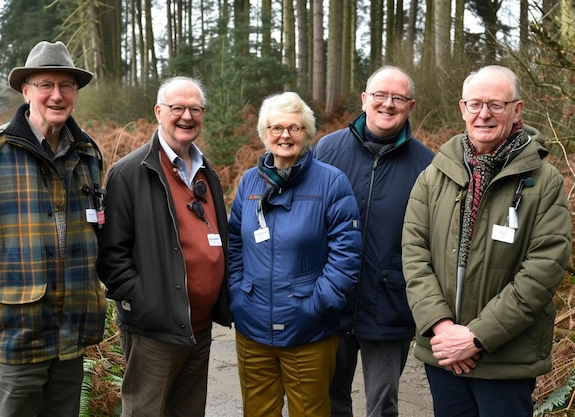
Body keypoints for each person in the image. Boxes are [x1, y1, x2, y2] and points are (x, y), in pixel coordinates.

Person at [401, 65, 572, 417]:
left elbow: (543, 269)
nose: (484, 114)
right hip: (444, 352)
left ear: (516, 110)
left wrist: (477, 336)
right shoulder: (434, 176)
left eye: (496, 104)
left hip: (505, 357)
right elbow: (414, 255)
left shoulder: (544, 182)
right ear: (463, 108)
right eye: (475, 104)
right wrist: (443, 328)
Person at [0, 41, 107, 417]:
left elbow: (97, 230)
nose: (57, 95)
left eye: (66, 85)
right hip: (16, 341)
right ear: (26, 90)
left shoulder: (88, 154)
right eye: (45, 84)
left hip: (71, 338)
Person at [96, 76, 230, 417]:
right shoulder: (128, 173)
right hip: (153, 329)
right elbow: (111, 255)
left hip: (199, 328)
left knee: (188, 412)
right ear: (159, 112)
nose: (187, 116)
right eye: (177, 108)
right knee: (145, 411)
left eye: (195, 109)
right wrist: (146, 303)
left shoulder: (206, 173)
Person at [228, 91, 362, 417]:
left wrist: (316, 305)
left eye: (294, 128)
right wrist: (238, 296)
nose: (284, 136)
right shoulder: (249, 182)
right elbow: (234, 244)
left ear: (307, 133)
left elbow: (346, 256)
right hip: (253, 328)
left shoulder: (331, 183)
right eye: (276, 128)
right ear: (264, 134)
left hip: (309, 330)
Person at [313, 65, 434, 417]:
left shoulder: (427, 165)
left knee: (383, 407)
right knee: (330, 402)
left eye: (398, 98)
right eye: (380, 95)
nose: (388, 104)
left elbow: (433, 239)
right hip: (332, 302)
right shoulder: (327, 150)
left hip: (390, 305)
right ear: (365, 100)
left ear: (410, 106)